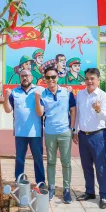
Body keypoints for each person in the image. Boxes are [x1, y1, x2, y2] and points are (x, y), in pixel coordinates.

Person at [35, 66, 76, 202]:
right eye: (48, 77)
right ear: (45, 79)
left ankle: (66, 189)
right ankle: (51, 188)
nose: (51, 80)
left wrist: (72, 128)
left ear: (58, 77)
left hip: (65, 132)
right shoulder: (43, 94)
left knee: (66, 162)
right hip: (50, 133)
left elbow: (73, 109)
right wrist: (37, 98)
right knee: (51, 162)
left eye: (53, 77)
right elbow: (40, 113)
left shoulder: (67, 92)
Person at [73, 68, 106, 209]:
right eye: (87, 78)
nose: (89, 81)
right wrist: (75, 131)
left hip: (98, 135)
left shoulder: (103, 95)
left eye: (92, 78)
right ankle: (89, 192)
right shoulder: (80, 95)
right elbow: (78, 115)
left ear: (98, 80)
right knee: (86, 166)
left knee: (100, 167)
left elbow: (105, 117)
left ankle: (104, 195)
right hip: (83, 136)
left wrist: (98, 109)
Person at [3, 69, 45, 185]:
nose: (25, 78)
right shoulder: (14, 92)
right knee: (19, 159)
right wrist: (6, 97)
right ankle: (19, 181)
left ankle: (41, 182)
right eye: (22, 76)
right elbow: (7, 110)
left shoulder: (40, 90)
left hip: (36, 132)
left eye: (27, 75)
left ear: (32, 77)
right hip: (20, 132)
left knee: (38, 159)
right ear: (19, 78)